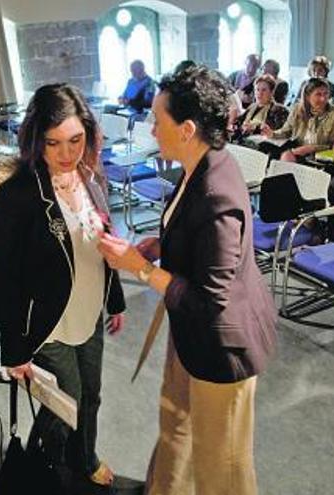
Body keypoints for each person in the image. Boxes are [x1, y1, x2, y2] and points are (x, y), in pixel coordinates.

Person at [97, 65, 277, 495]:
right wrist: (163, 246)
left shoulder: (218, 191)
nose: (150, 128)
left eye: (158, 121)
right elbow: (193, 235)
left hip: (222, 345)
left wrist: (138, 267)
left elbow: (208, 301)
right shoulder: (198, 163)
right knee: (175, 422)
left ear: (187, 128)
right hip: (192, 335)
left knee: (222, 464)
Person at [0, 83, 126, 489]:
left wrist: (114, 300)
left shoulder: (90, 175)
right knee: (65, 405)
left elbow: (104, 244)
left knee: (91, 396)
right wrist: (13, 349)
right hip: (48, 323)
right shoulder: (17, 196)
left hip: (88, 311)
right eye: (54, 143)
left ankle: (84, 459)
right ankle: (42, 471)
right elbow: (3, 278)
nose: (67, 153)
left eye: (76, 140)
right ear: (36, 140)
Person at [260, 77, 334, 161]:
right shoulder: (297, 109)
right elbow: (286, 131)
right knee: (266, 150)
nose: (323, 99)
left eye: (326, 94)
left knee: (286, 157)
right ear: (307, 96)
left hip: (318, 156)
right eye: (318, 94)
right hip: (296, 149)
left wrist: (311, 148)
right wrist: (272, 133)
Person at [231, 74, 289, 144]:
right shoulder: (251, 107)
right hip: (245, 142)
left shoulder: (280, 110)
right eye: (257, 90)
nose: (259, 93)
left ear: (272, 92)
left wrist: (254, 128)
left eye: (264, 90)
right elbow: (238, 123)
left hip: (263, 145)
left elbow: (278, 131)